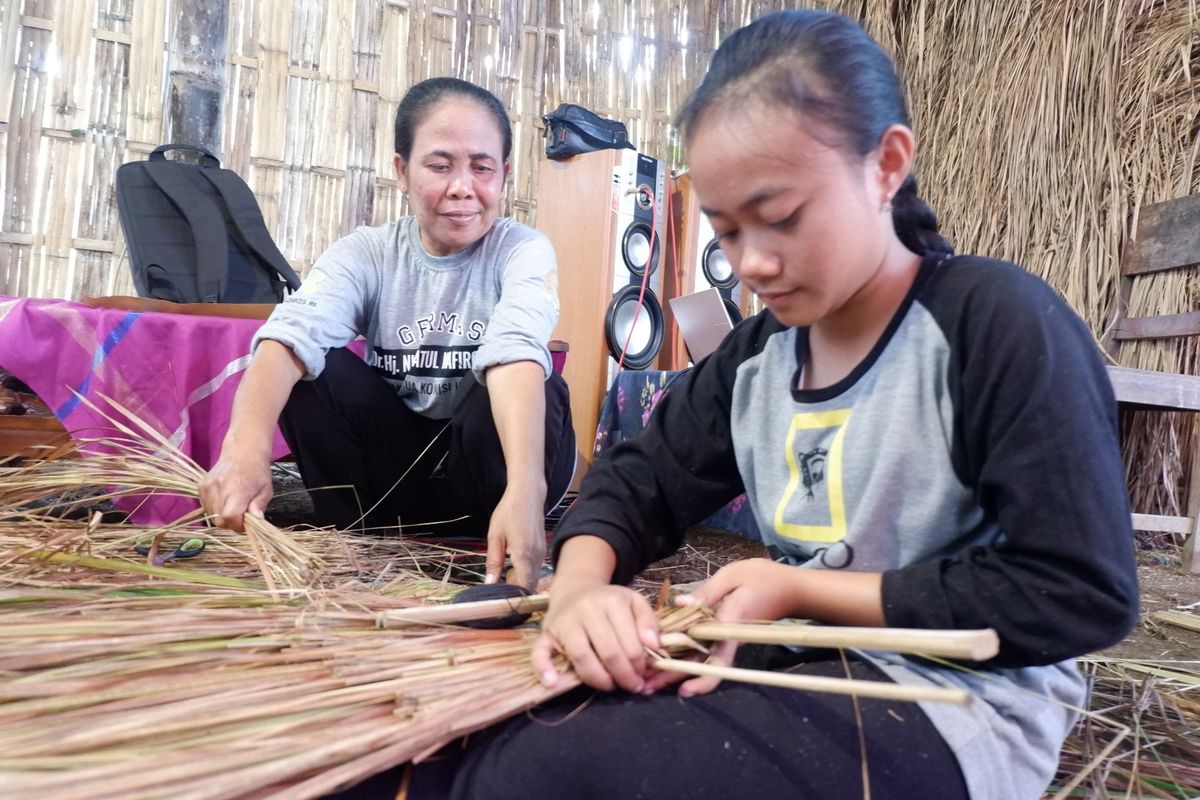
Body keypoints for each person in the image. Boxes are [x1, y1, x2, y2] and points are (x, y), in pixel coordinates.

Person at [396, 9, 1140, 800]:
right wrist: (582, 588)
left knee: (544, 770)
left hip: (948, 700)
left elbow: (1079, 590)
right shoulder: (760, 358)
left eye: (781, 218)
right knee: (466, 655)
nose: (753, 263)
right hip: (788, 651)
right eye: (727, 230)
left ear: (886, 164)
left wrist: (803, 589)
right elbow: (636, 481)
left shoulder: (994, 325)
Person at [199, 77, 575, 590]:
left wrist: (526, 489)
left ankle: (502, 529)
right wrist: (244, 449)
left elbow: (514, 351)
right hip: (394, 478)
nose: (462, 187)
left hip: (485, 471)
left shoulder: (521, 250)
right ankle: (356, 536)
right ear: (402, 170)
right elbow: (290, 335)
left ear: (504, 175)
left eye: (482, 168)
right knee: (315, 373)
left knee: (534, 382)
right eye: (440, 166)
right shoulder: (369, 252)